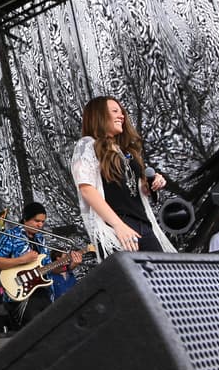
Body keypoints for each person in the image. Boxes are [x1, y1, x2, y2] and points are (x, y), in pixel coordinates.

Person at [71, 96, 174, 256]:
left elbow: (133, 188)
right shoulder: (88, 145)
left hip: (143, 224)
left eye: (122, 112)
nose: (122, 116)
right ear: (99, 116)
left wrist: (152, 183)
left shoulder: (126, 151)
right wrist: (118, 225)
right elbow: (87, 189)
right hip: (117, 226)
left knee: (162, 271)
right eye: (115, 111)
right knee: (128, 271)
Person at [0, 201, 81, 328]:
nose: (40, 225)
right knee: (35, 330)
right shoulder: (11, 236)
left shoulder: (40, 238)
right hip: (21, 294)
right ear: (25, 218)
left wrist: (70, 266)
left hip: (43, 292)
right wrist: (22, 259)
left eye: (42, 222)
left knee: (51, 328)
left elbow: (48, 268)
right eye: (36, 221)